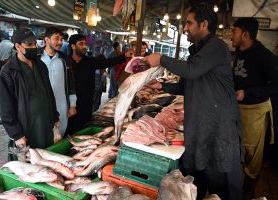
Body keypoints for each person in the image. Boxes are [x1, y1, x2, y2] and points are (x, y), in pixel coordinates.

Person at [144, 4, 242, 200]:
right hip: (199, 125)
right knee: (198, 177)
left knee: (220, 181)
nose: (185, 28)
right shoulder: (197, 51)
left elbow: (191, 70)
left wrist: (162, 58)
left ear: (204, 24)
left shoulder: (216, 46)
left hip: (218, 128)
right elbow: (185, 84)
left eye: (189, 23)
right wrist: (161, 87)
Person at [231, 17, 278, 199]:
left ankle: (249, 190)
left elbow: (275, 86)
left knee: (252, 154)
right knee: (237, 148)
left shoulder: (264, 56)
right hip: (236, 109)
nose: (231, 35)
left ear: (245, 34)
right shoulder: (238, 52)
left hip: (255, 111)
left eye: (234, 32)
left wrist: (247, 93)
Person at [0, 28, 59, 160]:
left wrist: (55, 116)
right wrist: (16, 134)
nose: (34, 47)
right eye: (29, 44)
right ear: (18, 46)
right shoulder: (8, 72)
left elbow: (49, 93)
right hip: (26, 128)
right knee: (27, 166)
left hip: (44, 124)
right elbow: (5, 108)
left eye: (34, 44)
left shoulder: (41, 66)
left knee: (46, 162)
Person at [66, 34, 133, 134]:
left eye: (85, 44)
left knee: (84, 129)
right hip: (69, 104)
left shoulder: (89, 61)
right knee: (69, 129)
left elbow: (108, 62)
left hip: (86, 103)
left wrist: (124, 56)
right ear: (73, 46)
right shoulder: (65, 62)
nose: (84, 46)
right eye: (81, 44)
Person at [39, 27, 77, 136]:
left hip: (61, 104)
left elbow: (71, 82)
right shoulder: (36, 57)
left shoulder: (64, 59)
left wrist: (72, 105)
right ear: (46, 39)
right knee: (42, 133)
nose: (60, 42)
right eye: (56, 39)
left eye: (61, 39)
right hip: (41, 103)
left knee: (59, 132)